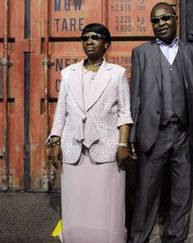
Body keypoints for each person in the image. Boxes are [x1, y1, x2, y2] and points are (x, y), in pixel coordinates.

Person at [128, 2, 193, 242]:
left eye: (165, 18)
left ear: (175, 19)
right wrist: (132, 135)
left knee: (182, 192)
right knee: (146, 193)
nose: (161, 23)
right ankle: (138, 238)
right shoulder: (141, 53)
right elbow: (136, 97)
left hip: (184, 133)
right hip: (154, 133)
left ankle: (176, 237)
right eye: (155, 20)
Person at [47, 23, 133, 243]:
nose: (89, 42)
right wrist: (55, 141)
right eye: (85, 38)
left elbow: (125, 113)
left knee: (105, 203)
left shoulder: (117, 74)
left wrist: (123, 145)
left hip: (106, 149)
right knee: (76, 202)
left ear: (107, 44)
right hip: (73, 148)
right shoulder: (68, 74)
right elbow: (61, 112)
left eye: (96, 37)